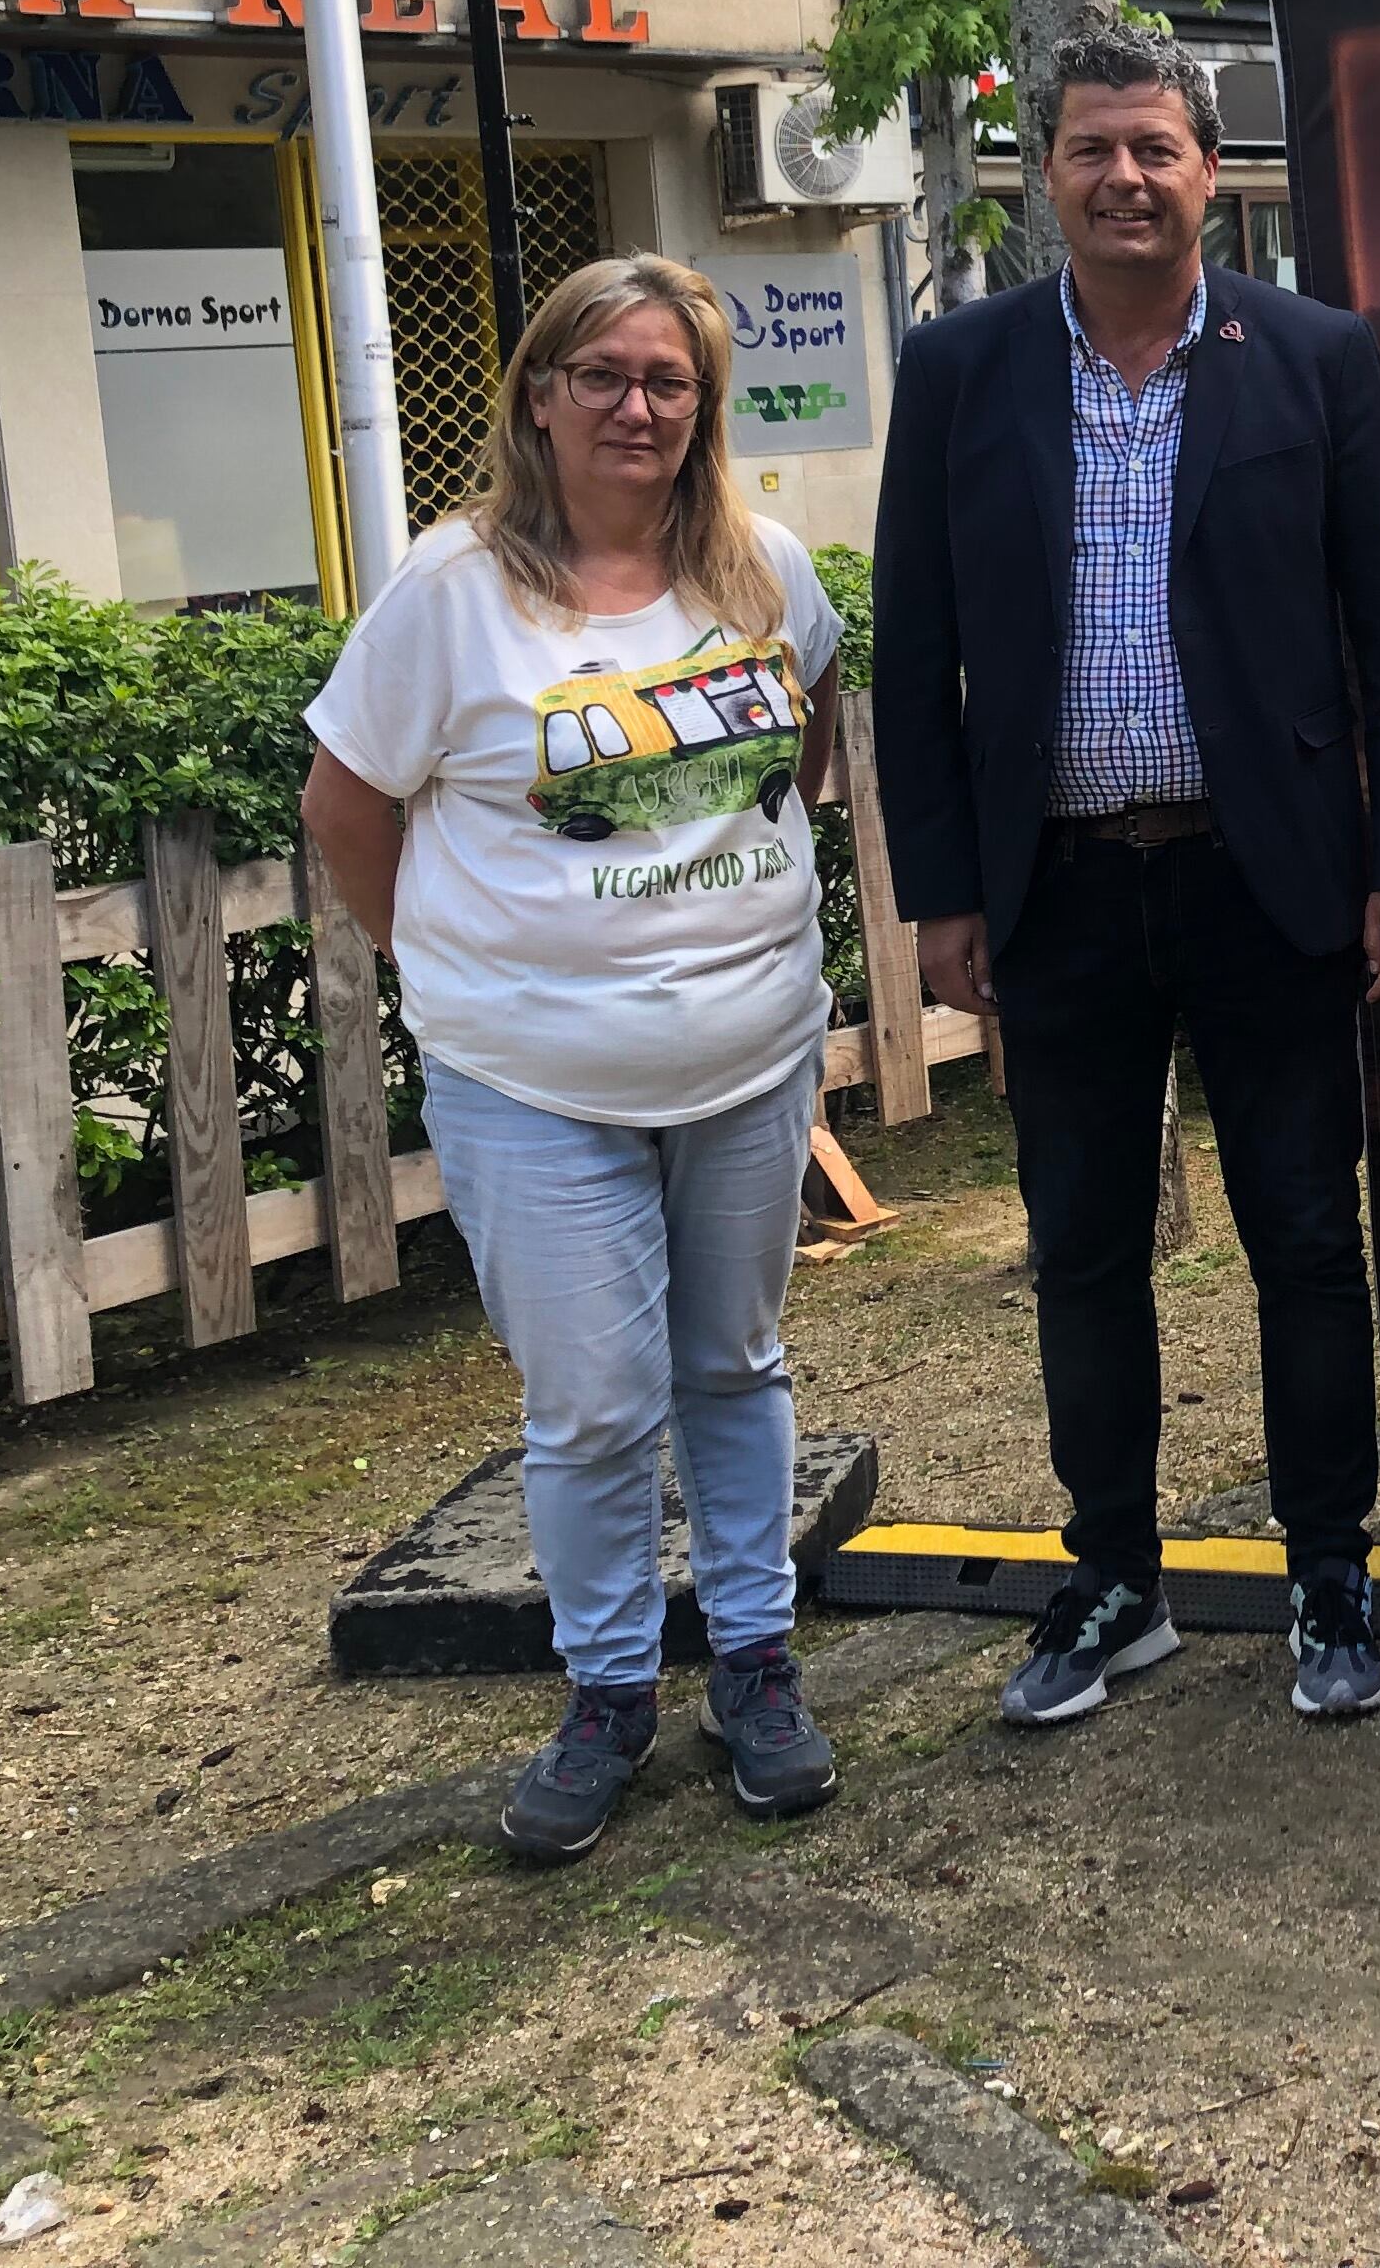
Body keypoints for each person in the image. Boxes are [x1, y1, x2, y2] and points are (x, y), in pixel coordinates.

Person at [872, 22, 1380, 1731]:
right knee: (1082, 1250)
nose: (1124, 177)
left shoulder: (1315, 358)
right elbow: (916, 658)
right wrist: (944, 889)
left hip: (1266, 883)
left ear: (1209, 168)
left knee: (1301, 1239)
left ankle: (1327, 1570)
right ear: (1041, 171)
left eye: (1154, 147)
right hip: (1058, 889)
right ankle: (1113, 1575)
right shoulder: (961, 370)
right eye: (1089, 148)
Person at [302, 256, 848, 1865]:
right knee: (596, 1404)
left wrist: (736, 897)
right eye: (601, 375)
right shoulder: (449, 592)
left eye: (667, 382)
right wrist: (450, 964)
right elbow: (348, 807)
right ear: (538, 395)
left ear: (704, 408)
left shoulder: (765, 568)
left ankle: (753, 1661)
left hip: (749, 1057)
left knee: (734, 1368)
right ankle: (609, 1685)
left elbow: (808, 735)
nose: (636, 406)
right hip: (532, 1083)